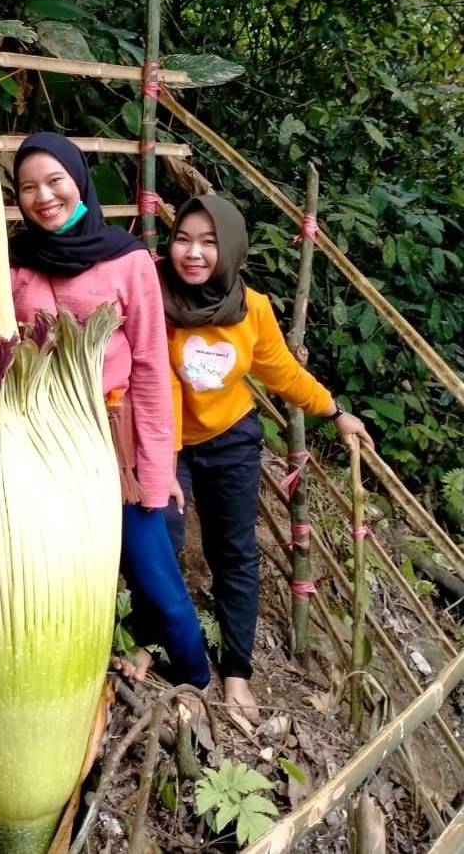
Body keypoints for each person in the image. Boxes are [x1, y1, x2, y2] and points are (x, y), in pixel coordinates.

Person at [159, 194, 374, 722]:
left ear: (230, 249)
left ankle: (237, 670)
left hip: (231, 438)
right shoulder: (151, 293)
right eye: (183, 239)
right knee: (159, 538)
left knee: (232, 552)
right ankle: (152, 641)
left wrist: (334, 410)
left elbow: (281, 373)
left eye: (209, 243)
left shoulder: (251, 308)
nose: (193, 253)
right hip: (167, 442)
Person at [8, 131, 210, 691]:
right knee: (58, 573)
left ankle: (197, 680)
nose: (43, 196)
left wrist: (157, 469)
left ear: (79, 180)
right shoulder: (16, 261)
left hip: (110, 439)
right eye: (28, 187)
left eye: (55, 181)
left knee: (155, 576)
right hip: (41, 438)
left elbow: (148, 366)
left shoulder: (127, 261)